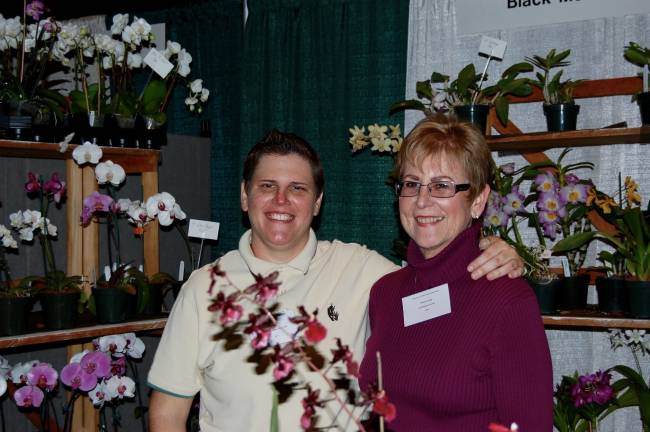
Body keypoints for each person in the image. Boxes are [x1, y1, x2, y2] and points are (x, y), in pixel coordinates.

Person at [147, 129, 524, 432]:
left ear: (317, 202)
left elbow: (436, 275)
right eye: (266, 186)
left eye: (297, 188)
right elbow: (166, 415)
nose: (281, 200)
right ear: (245, 196)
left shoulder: (360, 269)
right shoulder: (204, 288)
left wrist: (493, 248)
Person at [359, 115, 553, 431]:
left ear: (478, 201)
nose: (422, 201)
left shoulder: (507, 302)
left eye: (442, 186)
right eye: (411, 184)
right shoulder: (385, 293)